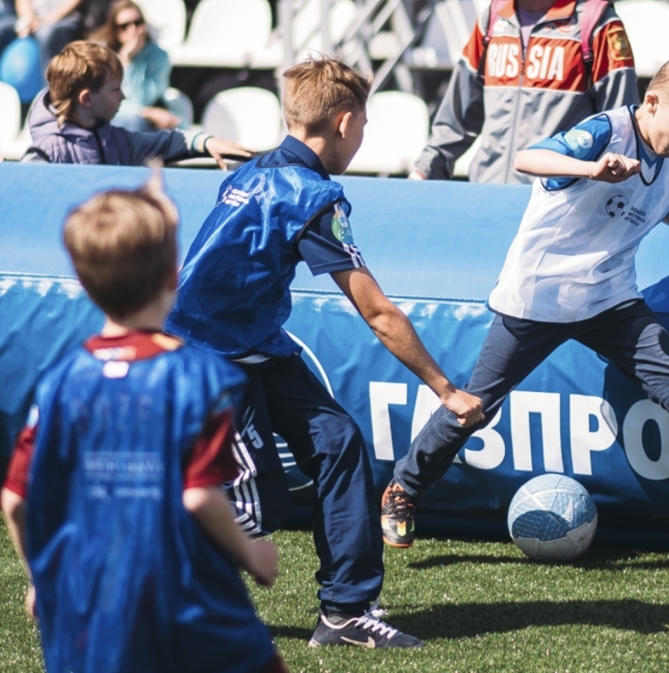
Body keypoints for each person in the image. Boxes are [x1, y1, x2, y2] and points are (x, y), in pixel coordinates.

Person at [382, 54, 669, 573]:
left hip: (611, 300)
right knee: (476, 405)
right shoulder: (606, 131)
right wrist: (591, 168)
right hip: (538, 299)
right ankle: (403, 488)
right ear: (651, 102)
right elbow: (529, 158)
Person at [165, 57, 484, 649]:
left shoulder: (257, 169)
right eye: (363, 124)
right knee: (256, 511)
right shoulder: (312, 195)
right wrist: (446, 390)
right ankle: (128, 578)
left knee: (338, 441)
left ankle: (345, 611)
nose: (363, 137)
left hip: (255, 343)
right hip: (205, 356)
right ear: (342, 123)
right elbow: (378, 312)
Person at [1, 172, 288, 673]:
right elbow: (199, 496)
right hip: (182, 592)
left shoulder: (62, 380)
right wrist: (251, 553)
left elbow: (15, 500)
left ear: (86, 284)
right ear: (174, 276)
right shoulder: (200, 378)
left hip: (87, 595)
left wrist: (39, 579)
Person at [411, 0, 639, 184]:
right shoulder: (491, 19)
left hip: (556, 206)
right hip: (486, 195)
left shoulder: (599, 23)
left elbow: (619, 128)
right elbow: (456, 121)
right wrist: (423, 172)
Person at [22, 40, 250, 167]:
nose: (122, 97)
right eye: (115, 90)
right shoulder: (46, 154)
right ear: (87, 99)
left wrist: (205, 142)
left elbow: (167, 142)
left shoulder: (119, 141)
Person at [93, 0, 187, 132]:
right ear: (116, 31)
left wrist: (128, 61)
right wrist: (149, 112)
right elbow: (100, 102)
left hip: (138, 120)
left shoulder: (159, 56)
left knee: (139, 123)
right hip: (117, 117)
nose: (134, 30)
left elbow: (142, 99)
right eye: (125, 26)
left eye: (138, 23)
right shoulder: (104, 56)